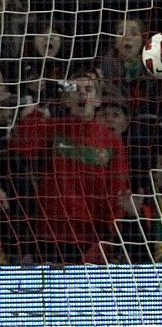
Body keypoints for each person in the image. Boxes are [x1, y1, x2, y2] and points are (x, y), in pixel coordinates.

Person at [8, 69, 132, 263]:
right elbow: (21, 147)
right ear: (65, 99)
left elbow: (116, 188)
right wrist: (32, 114)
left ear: (98, 100)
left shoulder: (112, 140)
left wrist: (108, 237)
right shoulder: (53, 129)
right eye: (75, 89)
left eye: (89, 89)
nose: (82, 94)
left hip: (91, 237)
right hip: (50, 233)